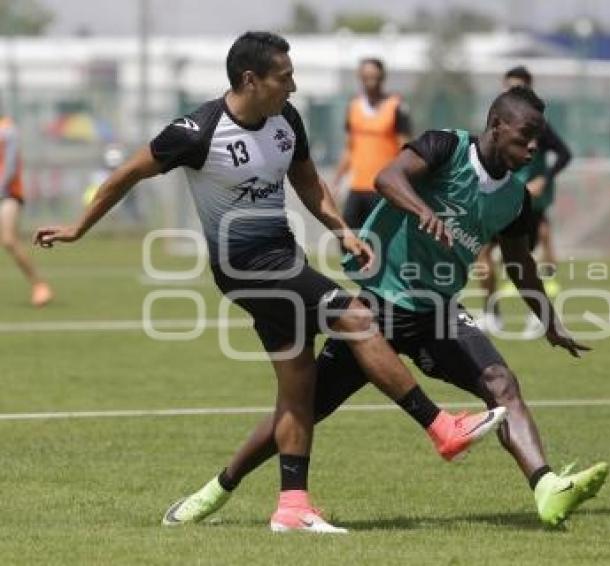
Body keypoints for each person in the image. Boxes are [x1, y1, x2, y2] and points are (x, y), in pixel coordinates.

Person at [33, 31, 505, 535]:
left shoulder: (286, 120)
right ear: (250, 80)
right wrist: (78, 227)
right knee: (356, 317)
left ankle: (292, 506)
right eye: (285, 77)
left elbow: (307, 183)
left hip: (283, 257)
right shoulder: (196, 131)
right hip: (244, 267)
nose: (294, 86)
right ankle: (440, 428)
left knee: (299, 386)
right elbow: (126, 173)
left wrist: (342, 231)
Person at [165, 86, 608, 529]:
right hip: (377, 308)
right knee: (304, 407)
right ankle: (217, 489)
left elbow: (519, 264)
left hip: (438, 312)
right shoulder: (446, 146)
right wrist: (422, 210)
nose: (533, 147)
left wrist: (549, 322)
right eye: (525, 135)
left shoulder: (516, 198)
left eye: (538, 138)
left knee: (501, 383)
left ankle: (547, 487)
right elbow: (387, 178)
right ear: (496, 125)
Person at [477, 66, 572, 335]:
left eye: (519, 88)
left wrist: (544, 178)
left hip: (527, 204)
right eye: (509, 87)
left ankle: (539, 315)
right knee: (482, 254)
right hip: (496, 199)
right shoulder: (498, 123)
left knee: (531, 257)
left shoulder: (539, 126)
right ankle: (490, 312)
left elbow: (565, 154)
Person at [331, 58, 412, 230]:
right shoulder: (353, 106)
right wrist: (336, 181)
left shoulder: (396, 106)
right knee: (347, 233)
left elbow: (405, 148)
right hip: (357, 185)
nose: (371, 82)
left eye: (375, 77)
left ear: (382, 78)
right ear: (360, 78)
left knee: (380, 236)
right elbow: (349, 148)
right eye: (366, 77)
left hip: (384, 186)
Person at [0, 109, 53, 307]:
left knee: (8, 240)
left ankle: (40, 286)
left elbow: (11, 165)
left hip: (8, 193)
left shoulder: (8, 129)